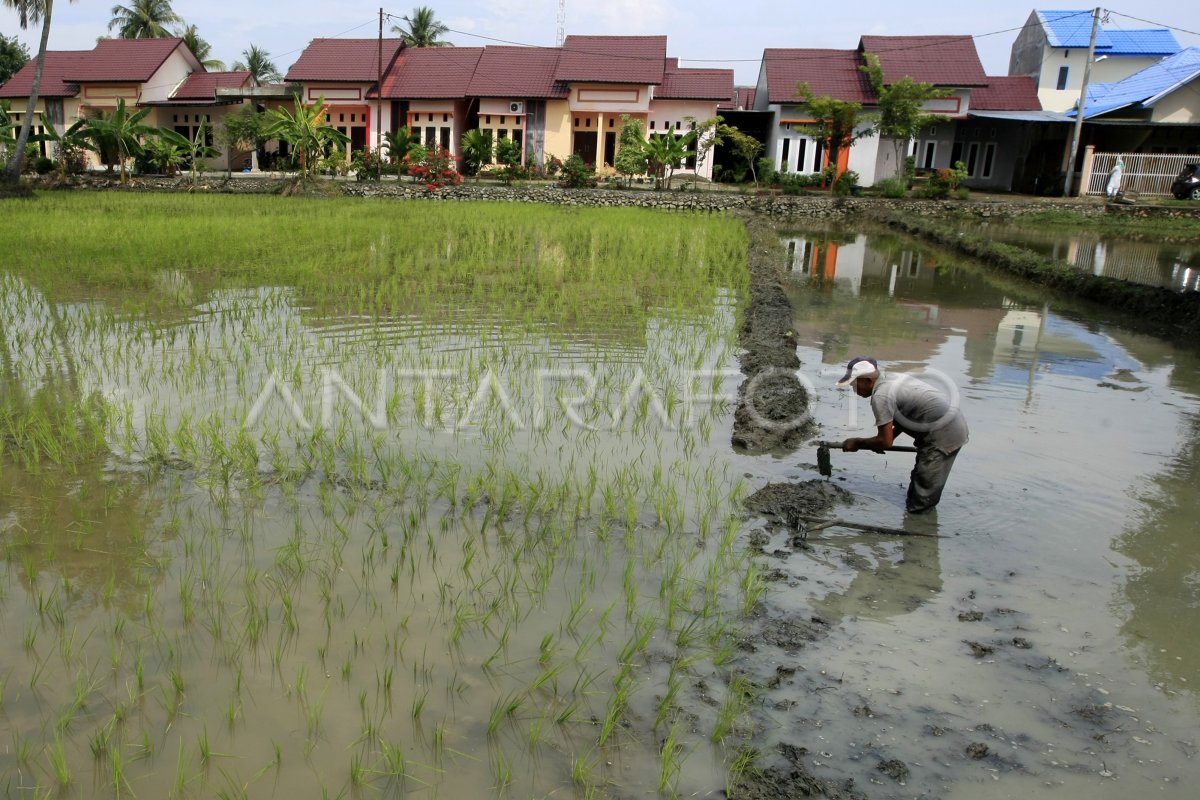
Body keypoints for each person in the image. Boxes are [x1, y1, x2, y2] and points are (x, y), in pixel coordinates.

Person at [836, 356, 968, 514]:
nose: (854, 390)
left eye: (854, 384)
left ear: (868, 380)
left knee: (923, 497)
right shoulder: (891, 378)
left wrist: (857, 442)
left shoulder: (880, 396)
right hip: (948, 425)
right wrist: (882, 440)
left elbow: (885, 442)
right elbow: (903, 417)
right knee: (919, 481)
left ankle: (919, 531)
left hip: (943, 435)